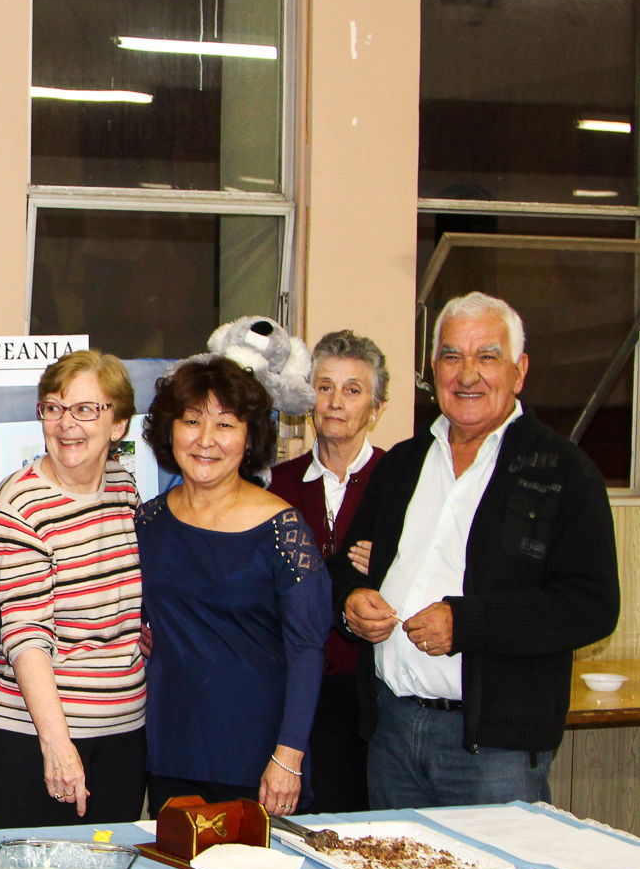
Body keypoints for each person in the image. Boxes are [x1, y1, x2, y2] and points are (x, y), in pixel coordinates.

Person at [336, 292, 620, 810]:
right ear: (434, 370)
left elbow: (592, 605)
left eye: (487, 356)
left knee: (494, 868)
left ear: (519, 371)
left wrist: (467, 623)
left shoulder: (565, 470)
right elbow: (347, 567)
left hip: (495, 751)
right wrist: (352, 604)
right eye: (452, 356)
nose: (467, 374)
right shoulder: (401, 464)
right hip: (392, 730)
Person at [136, 357, 331, 817]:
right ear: (169, 430)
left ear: (249, 436)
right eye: (191, 421)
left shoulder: (283, 530)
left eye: (225, 424)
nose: (205, 439)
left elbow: (307, 649)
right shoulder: (147, 521)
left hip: (259, 758)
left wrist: (289, 756)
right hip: (171, 749)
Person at [0, 350, 147, 828]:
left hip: (122, 730)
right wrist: (56, 744)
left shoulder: (124, 487)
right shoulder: (18, 504)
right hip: (36, 737)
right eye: (53, 408)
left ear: (118, 424)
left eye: (85, 409)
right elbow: (25, 634)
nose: (66, 423)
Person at [268, 330, 388, 813]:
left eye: (353, 390)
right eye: (324, 387)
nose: (336, 402)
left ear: (375, 408)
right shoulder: (275, 485)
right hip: (291, 689)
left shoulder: (399, 481)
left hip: (370, 692)